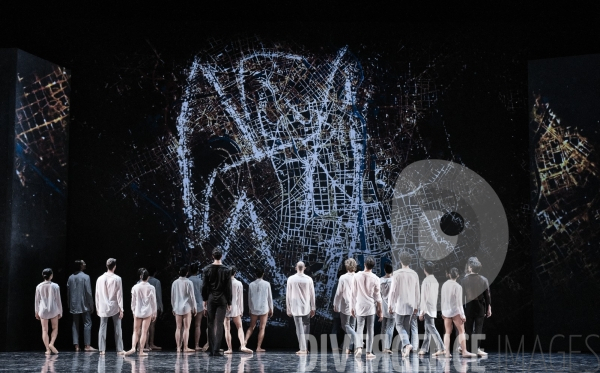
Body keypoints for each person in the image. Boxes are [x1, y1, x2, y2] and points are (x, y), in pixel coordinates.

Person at [202, 248, 232, 357]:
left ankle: (212, 349)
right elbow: (228, 288)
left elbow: (204, 286)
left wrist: (204, 300)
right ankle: (216, 349)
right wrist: (229, 302)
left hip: (210, 298)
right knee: (219, 324)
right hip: (222, 298)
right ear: (222, 256)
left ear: (212, 256)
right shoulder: (227, 270)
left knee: (210, 323)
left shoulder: (206, 269)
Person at [388, 251, 419, 357]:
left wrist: (390, 305)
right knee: (406, 327)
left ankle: (407, 344)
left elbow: (392, 291)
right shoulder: (414, 274)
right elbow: (417, 291)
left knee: (399, 325)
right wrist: (417, 306)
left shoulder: (396, 273)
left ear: (400, 261)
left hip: (400, 304)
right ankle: (404, 350)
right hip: (411, 304)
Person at [441, 268, 476, 358]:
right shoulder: (458, 286)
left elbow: (442, 300)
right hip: (455, 311)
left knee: (447, 332)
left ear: (449, 274)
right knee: (461, 331)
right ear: (458, 276)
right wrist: (462, 315)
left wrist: (442, 311)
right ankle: (464, 351)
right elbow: (459, 303)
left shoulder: (444, 285)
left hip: (446, 311)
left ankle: (447, 352)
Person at [352, 256, 382, 359]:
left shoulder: (356, 276)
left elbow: (353, 293)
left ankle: (359, 347)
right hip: (370, 307)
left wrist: (352, 307)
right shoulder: (376, 278)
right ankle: (369, 352)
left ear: (365, 264)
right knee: (370, 330)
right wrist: (380, 311)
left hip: (359, 305)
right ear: (373, 266)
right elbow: (378, 297)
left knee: (359, 328)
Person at [460, 258, 491, 357]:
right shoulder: (484, 279)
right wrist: (489, 308)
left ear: (470, 268)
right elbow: (487, 296)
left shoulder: (464, 280)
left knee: (468, 328)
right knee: (478, 328)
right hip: (480, 307)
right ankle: (476, 349)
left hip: (469, 307)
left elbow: (461, 296)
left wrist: (461, 309)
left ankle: (468, 349)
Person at [96, 258, 125, 355]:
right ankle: (119, 349)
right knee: (117, 327)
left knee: (102, 327)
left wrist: (97, 307)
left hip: (103, 306)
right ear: (115, 266)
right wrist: (121, 308)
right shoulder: (117, 278)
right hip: (115, 306)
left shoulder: (99, 278)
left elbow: (97, 294)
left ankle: (102, 350)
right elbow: (119, 295)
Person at [125, 268, 157, 356]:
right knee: (144, 331)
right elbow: (153, 301)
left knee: (135, 331)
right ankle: (141, 351)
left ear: (140, 277)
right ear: (148, 277)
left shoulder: (135, 287)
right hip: (147, 311)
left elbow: (133, 301)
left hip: (137, 311)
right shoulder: (151, 287)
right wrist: (155, 312)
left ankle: (133, 348)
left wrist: (133, 311)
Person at [286, 261, 316, 355]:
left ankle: (303, 349)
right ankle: (304, 347)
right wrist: (313, 307)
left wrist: (288, 308)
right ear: (304, 268)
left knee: (299, 328)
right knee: (306, 327)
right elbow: (312, 295)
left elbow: (288, 295)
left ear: (296, 268)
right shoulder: (309, 279)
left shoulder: (291, 279)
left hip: (295, 307)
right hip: (306, 306)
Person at [67, 260, 96, 352]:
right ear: (80, 266)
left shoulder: (70, 277)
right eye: (83, 263)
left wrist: (69, 304)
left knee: (75, 325)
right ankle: (87, 346)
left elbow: (68, 293)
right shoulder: (86, 277)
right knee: (87, 323)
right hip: (84, 304)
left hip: (74, 304)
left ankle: (76, 346)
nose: (85, 264)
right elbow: (88, 293)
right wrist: (91, 305)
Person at [418, 261, 446, 356]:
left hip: (427, 308)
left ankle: (441, 348)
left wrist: (421, 312)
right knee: (428, 329)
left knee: (431, 328)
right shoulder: (435, 280)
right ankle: (424, 349)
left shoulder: (426, 281)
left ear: (424, 270)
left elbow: (424, 298)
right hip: (432, 307)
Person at [224, 266, 253, 354]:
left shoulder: (223, 283)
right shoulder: (238, 283)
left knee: (227, 329)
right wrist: (241, 310)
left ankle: (229, 349)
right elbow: (240, 298)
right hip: (235, 307)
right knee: (239, 327)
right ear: (235, 273)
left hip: (226, 308)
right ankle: (243, 345)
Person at [333, 258, 358, 354]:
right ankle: (347, 348)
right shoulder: (358, 277)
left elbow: (339, 293)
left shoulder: (343, 277)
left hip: (346, 304)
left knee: (345, 325)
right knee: (351, 326)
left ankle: (357, 340)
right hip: (356, 303)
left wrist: (336, 304)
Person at [245, 267, 273, 352]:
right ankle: (258, 347)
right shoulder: (267, 284)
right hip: (264, 308)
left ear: (255, 274)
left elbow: (249, 298)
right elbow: (269, 297)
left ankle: (244, 343)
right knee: (262, 327)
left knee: (251, 326)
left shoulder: (251, 284)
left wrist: (250, 308)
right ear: (263, 274)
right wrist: (271, 308)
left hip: (254, 307)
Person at [35, 268, 62, 355]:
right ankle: (51, 343)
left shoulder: (39, 286)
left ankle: (47, 349)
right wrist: (60, 311)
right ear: (51, 275)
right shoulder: (55, 286)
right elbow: (58, 300)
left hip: (43, 309)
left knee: (44, 330)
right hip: (53, 309)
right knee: (55, 328)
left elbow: (37, 300)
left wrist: (36, 311)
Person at [171, 266, 197, 352]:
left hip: (177, 307)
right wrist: (194, 307)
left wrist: (173, 307)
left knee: (178, 328)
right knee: (186, 328)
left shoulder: (175, 282)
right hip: (187, 307)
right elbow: (192, 296)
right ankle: (185, 347)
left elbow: (173, 297)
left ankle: (178, 347)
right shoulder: (189, 282)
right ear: (186, 273)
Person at [187, 262, 205, 351]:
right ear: (197, 271)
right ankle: (196, 345)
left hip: (189, 305)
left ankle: (184, 345)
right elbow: (203, 293)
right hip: (199, 303)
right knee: (197, 325)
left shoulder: (187, 280)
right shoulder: (200, 281)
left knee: (186, 326)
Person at [145, 267, 163, 350]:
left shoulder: (143, 281)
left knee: (145, 326)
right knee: (152, 325)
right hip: (153, 306)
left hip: (145, 306)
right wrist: (160, 306)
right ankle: (151, 344)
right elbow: (158, 295)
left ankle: (146, 345)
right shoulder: (156, 282)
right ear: (155, 272)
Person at [379, 262, 395, 354]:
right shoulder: (394, 280)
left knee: (383, 327)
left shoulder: (380, 280)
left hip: (383, 305)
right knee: (390, 327)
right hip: (392, 305)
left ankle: (383, 346)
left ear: (384, 270)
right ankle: (387, 347)